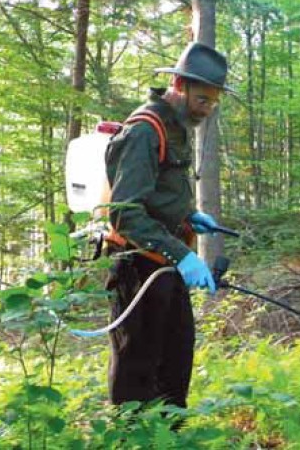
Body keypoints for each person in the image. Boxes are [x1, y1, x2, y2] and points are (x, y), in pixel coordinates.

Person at [104, 42, 233, 409]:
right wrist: (183, 255)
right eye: (202, 100)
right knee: (137, 371)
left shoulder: (177, 127)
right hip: (137, 267)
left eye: (213, 102)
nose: (207, 109)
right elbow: (125, 212)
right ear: (179, 84)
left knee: (175, 366)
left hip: (168, 266)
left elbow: (159, 194)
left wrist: (188, 215)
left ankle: (173, 438)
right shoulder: (145, 130)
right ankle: (133, 440)